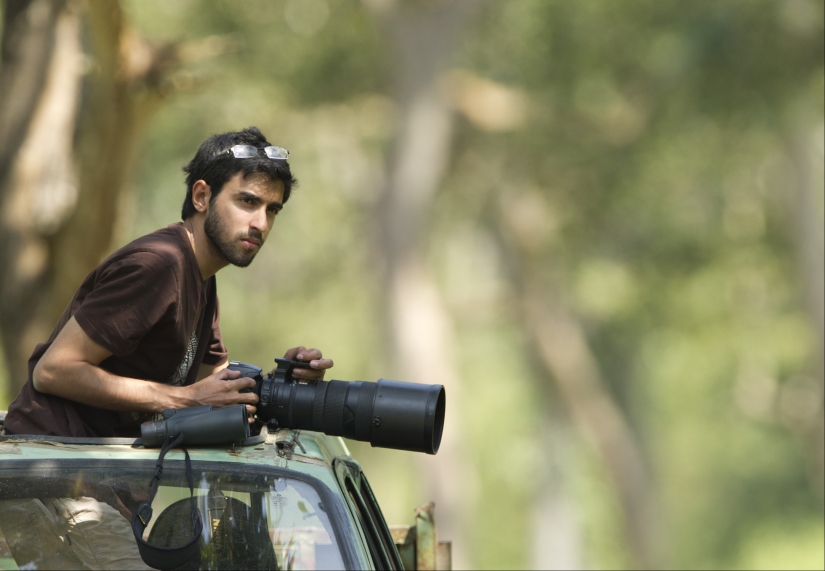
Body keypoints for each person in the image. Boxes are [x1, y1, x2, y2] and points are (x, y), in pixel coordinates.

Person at [3, 126, 332, 437]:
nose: (260, 222)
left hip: (97, 472)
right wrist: (184, 398)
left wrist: (285, 383)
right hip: (48, 459)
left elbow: (216, 387)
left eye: (272, 209)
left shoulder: (201, 277)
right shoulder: (159, 265)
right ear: (202, 196)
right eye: (247, 201)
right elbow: (53, 371)